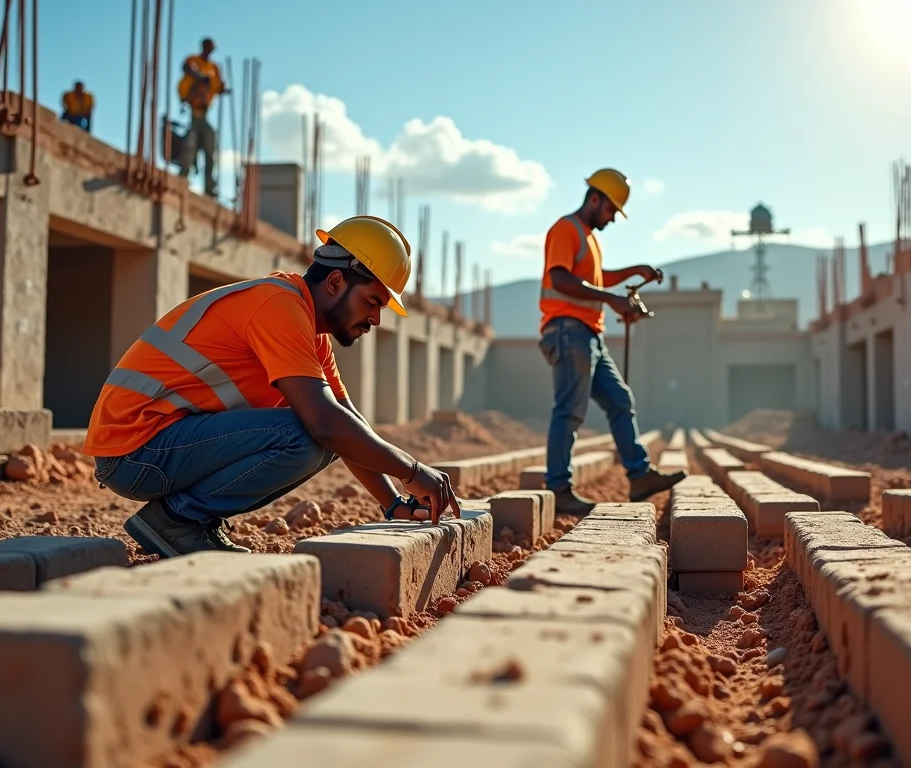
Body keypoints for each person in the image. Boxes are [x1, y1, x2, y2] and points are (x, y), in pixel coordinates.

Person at [82, 215, 460, 559]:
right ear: (335, 282)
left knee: (331, 430)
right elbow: (326, 425)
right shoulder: (278, 306)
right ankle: (177, 521)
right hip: (135, 451)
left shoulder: (311, 334)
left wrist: (393, 503)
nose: (376, 319)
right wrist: (412, 471)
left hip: (155, 447)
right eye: (372, 302)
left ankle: (184, 520)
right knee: (310, 432)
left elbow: (347, 421)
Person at [537, 168, 686, 514]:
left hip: (589, 334)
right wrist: (611, 300)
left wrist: (634, 272)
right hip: (568, 331)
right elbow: (560, 279)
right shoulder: (566, 229)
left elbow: (596, 279)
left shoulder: (588, 238)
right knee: (569, 411)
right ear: (594, 199)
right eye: (610, 210)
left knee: (620, 400)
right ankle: (559, 488)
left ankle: (639, 475)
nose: (613, 218)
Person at [176, 38, 228, 195]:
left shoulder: (214, 68)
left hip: (204, 115)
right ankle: (182, 178)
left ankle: (209, 188)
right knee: (189, 147)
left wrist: (222, 88)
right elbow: (186, 68)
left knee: (210, 150)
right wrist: (199, 77)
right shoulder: (193, 60)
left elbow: (218, 86)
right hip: (194, 113)